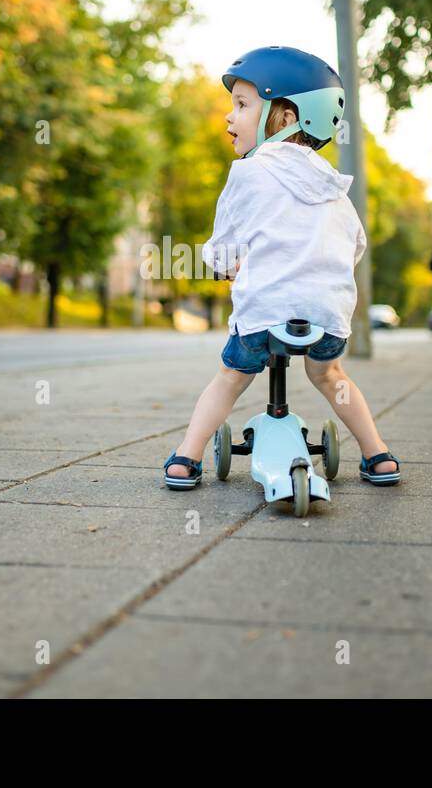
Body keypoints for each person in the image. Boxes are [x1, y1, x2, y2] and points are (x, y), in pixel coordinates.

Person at [161, 46, 401, 490]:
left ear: (286, 117)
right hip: (327, 319)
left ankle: (185, 458)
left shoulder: (248, 175)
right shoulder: (335, 187)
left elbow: (222, 249)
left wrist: (223, 266)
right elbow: (355, 245)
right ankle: (378, 454)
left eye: (243, 105)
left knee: (231, 376)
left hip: (263, 315)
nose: (230, 117)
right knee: (329, 375)